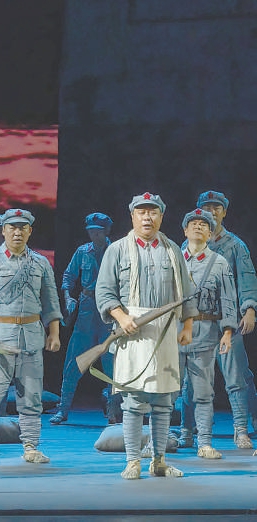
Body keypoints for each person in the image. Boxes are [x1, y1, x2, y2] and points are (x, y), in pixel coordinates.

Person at [96, 192, 196, 480]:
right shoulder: (117, 249)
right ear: (133, 216)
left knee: (164, 400)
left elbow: (186, 292)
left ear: (161, 217)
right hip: (132, 331)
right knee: (134, 400)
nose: (147, 217)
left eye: (153, 212)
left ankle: (159, 460)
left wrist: (187, 326)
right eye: (142, 212)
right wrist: (121, 317)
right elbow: (104, 291)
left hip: (166, 331)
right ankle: (132, 461)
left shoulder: (172, 249)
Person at [0, 208, 62, 466]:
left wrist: (54, 332)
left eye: (22, 228)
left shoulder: (40, 263)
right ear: (4, 230)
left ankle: (31, 446)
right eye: (12, 227)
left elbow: (51, 301)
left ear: (30, 231)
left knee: (31, 399)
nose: (17, 232)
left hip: (31, 338)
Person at [195, 190, 257, 449]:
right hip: (198, 321)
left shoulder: (234, 245)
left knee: (236, 377)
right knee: (192, 380)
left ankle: (241, 428)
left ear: (224, 212)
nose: (211, 211)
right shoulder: (190, 244)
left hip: (227, 320)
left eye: (216, 207)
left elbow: (246, 278)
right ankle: (191, 430)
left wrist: (250, 308)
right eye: (206, 207)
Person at [177, 208, 237, 458]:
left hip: (205, 333)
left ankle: (204, 442)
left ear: (211, 234)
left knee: (203, 391)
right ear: (185, 230)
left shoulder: (219, 263)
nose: (198, 227)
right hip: (174, 333)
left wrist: (227, 332)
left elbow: (228, 299)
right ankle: (161, 441)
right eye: (193, 223)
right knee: (167, 391)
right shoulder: (174, 259)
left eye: (204, 225)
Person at [51, 212, 118, 425]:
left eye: (98, 231)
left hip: (110, 311)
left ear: (107, 231)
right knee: (74, 360)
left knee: (112, 363)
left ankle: (114, 410)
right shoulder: (83, 251)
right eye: (91, 231)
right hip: (87, 310)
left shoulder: (117, 250)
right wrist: (68, 298)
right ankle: (63, 409)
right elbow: (68, 276)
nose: (94, 235)